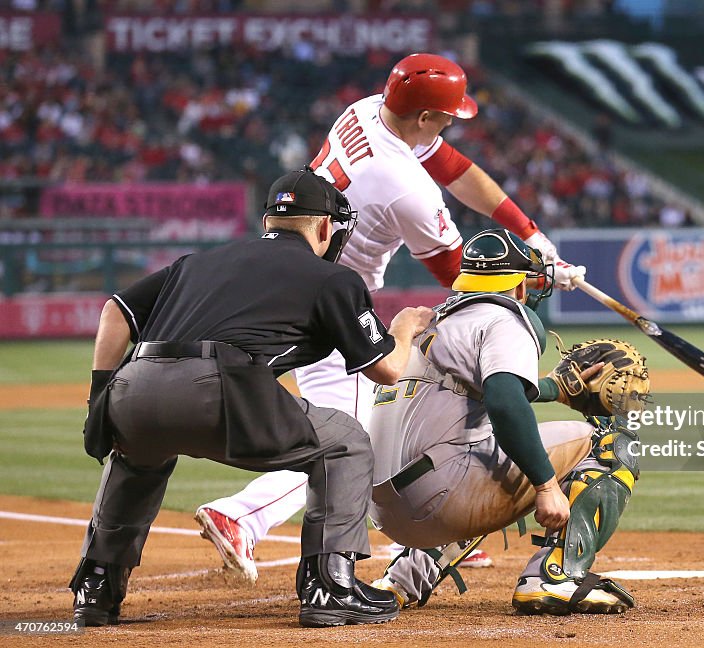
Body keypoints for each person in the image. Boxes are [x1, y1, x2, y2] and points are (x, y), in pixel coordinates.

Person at [193, 52, 587, 583]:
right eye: (447, 115)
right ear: (424, 117)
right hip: (327, 302)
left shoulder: (367, 110)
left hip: (289, 276)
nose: (452, 122)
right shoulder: (404, 184)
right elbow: (463, 276)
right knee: (346, 440)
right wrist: (537, 272)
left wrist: (531, 232)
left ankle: (435, 537)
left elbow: (453, 167)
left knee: (351, 429)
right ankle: (240, 514)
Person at [70, 169, 434, 628]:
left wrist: (101, 397)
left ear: (268, 221)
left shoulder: (196, 262)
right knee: (345, 442)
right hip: (219, 386)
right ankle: (329, 586)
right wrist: (403, 327)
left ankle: (97, 586)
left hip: (135, 382)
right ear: (325, 227)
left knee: (138, 458)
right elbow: (386, 368)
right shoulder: (332, 278)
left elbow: (115, 312)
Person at [368, 229, 638, 615]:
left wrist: (553, 388)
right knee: (609, 442)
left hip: (384, 509)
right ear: (517, 286)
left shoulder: (437, 319)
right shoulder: (504, 319)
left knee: (476, 446)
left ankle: (403, 579)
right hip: (440, 500)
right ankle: (555, 577)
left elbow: (490, 389)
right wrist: (545, 485)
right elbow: (505, 402)